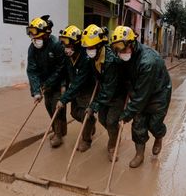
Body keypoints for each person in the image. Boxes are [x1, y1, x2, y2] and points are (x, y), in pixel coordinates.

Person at [110, 26, 172, 168]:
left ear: (132, 43)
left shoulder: (148, 61)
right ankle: (139, 154)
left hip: (158, 93)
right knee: (138, 124)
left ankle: (159, 136)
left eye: (122, 48)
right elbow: (125, 77)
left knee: (154, 124)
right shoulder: (125, 55)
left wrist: (126, 115)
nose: (120, 53)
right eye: (117, 49)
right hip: (139, 90)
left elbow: (142, 97)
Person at [81, 24, 127, 161]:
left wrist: (93, 106)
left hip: (117, 94)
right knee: (102, 120)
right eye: (87, 48)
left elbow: (109, 90)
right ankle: (116, 134)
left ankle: (112, 146)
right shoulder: (92, 58)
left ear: (100, 45)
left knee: (111, 121)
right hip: (104, 92)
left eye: (92, 47)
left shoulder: (111, 60)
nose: (89, 50)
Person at [26, 15, 67, 147]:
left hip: (59, 82)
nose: (34, 40)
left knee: (57, 108)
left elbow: (61, 68)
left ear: (45, 35)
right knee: (49, 107)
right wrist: (36, 90)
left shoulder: (56, 45)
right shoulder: (32, 48)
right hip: (45, 84)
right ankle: (58, 130)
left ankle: (59, 135)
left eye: (37, 37)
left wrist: (53, 84)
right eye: (32, 37)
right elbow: (32, 70)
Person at [56, 25, 97, 152]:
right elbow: (65, 73)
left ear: (77, 43)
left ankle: (86, 140)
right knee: (74, 113)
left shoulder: (85, 58)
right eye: (64, 44)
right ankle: (90, 124)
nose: (66, 48)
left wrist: (64, 99)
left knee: (85, 114)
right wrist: (63, 86)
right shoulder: (68, 56)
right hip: (75, 89)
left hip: (87, 89)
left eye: (68, 44)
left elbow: (80, 81)